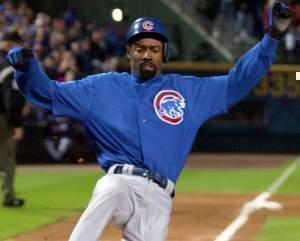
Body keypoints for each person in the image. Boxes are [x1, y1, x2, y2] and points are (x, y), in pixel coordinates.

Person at [6, 1, 292, 240]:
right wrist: (27, 68)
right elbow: (47, 93)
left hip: (159, 197)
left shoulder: (188, 92)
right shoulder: (100, 88)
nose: (146, 54)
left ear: (164, 53)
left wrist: (272, 38)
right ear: (129, 51)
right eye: (140, 48)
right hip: (120, 181)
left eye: (154, 49)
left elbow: (236, 82)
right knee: (111, 187)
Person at [0, 31, 26, 207]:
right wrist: (16, 124)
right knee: (7, 158)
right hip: (2, 118)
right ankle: (9, 196)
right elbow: (12, 99)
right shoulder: (10, 65)